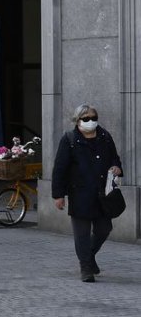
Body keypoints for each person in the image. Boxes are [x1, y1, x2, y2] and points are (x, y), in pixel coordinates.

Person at [51, 103, 123, 283]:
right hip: (80, 194)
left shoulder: (105, 136)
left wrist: (117, 167)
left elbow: (115, 157)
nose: (91, 121)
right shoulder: (69, 139)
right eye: (86, 118)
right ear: (77, 121)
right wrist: (58, 195)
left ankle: (89, 258)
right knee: (82, 235)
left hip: (102, 194)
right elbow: (60, 168)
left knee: (104, 228)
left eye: (93, 118)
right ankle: (86, 268)